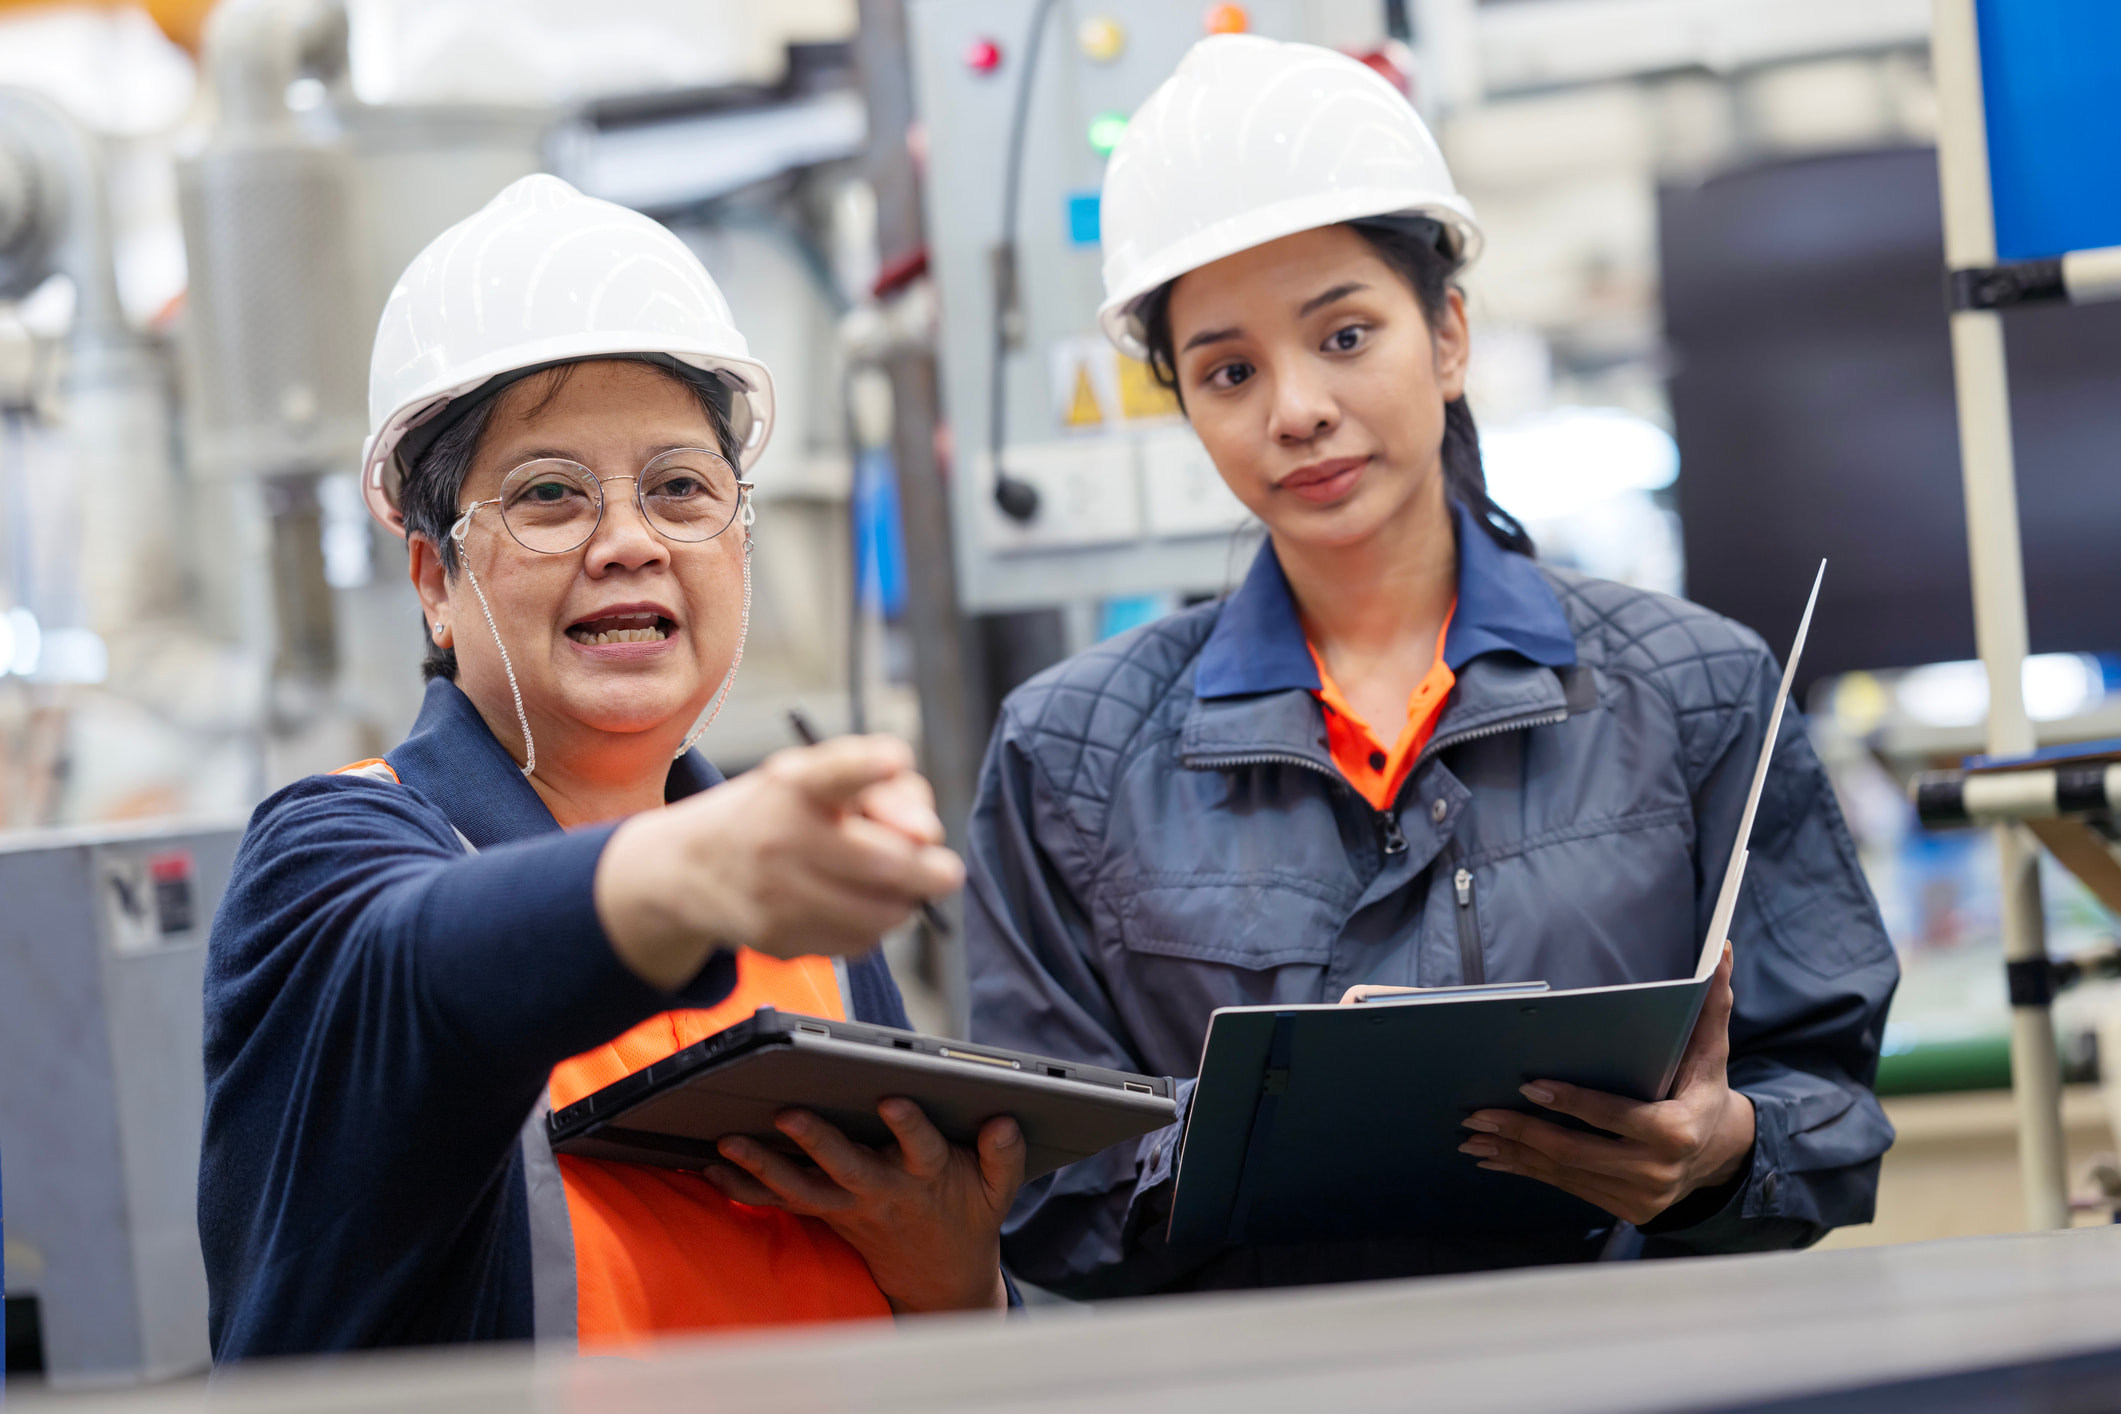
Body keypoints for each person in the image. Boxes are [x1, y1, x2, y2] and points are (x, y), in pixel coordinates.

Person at [964, 36, 1898, 1297]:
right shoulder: (1066, 751)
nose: (1294, 408)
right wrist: (1237, 1141)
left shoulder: (1698, 689)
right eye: (1229, 369)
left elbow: (1829, 1107)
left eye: (1344, 335)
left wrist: (1725, 1154)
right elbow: (1033, 1181)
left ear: (1447, 335)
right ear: (1185, 404)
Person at [200, 176, 1021, 1360]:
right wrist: (695, 877)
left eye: (682, 487)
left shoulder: (802, 909)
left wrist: (959, 1280)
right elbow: (422, 978)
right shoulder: (330, 855)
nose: (630, 541)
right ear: (434, 581)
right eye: (549, 496)